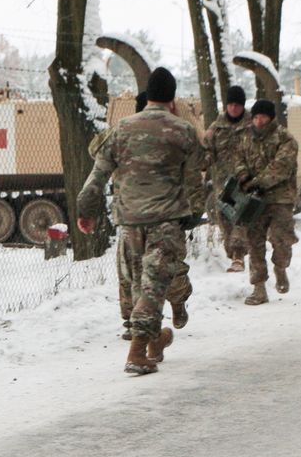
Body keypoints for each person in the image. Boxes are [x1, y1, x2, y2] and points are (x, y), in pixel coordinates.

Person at [77, 67, 205, 376]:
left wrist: (86, 210)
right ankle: (136, 353)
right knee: (153, 286)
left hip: (130, 222)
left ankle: (155, 342)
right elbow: (194, 182)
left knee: (140, 286)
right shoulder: (184, 132)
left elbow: (98, 175)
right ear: (172, 99)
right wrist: (193, 214)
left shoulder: (121, 128)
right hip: (166, 221)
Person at [91, 92, 194, 339]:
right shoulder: (124, 132)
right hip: (132, 214)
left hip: (164, 215)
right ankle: (133, 323)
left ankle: (178, 302)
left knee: (170, 270)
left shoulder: (172, 133)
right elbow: (96, 149)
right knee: (129, 271)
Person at [232, 98, 301, 305]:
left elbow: (281, 167)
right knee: (254, 243)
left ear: (271, 118)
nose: (258, 121)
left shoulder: (285, 139)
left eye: (262, 116)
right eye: (255, 117)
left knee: (282, 239)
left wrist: (257, 182)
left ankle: (280, 267)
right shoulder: (245, 138)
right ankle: (259, 287)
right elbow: (238, 160)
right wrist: (243, 176)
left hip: (280, 198)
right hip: (254, 200)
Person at [203, 85, 250, 273]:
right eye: (230, 104)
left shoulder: (251, 126)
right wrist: (203, 163)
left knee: (240, 217)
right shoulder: (216, 128)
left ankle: (238, 255)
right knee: (224, 221)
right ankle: (234, 253)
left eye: (237, 105)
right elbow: (207, 151)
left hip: (245, 183)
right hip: (222, 185)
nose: (233, 108)